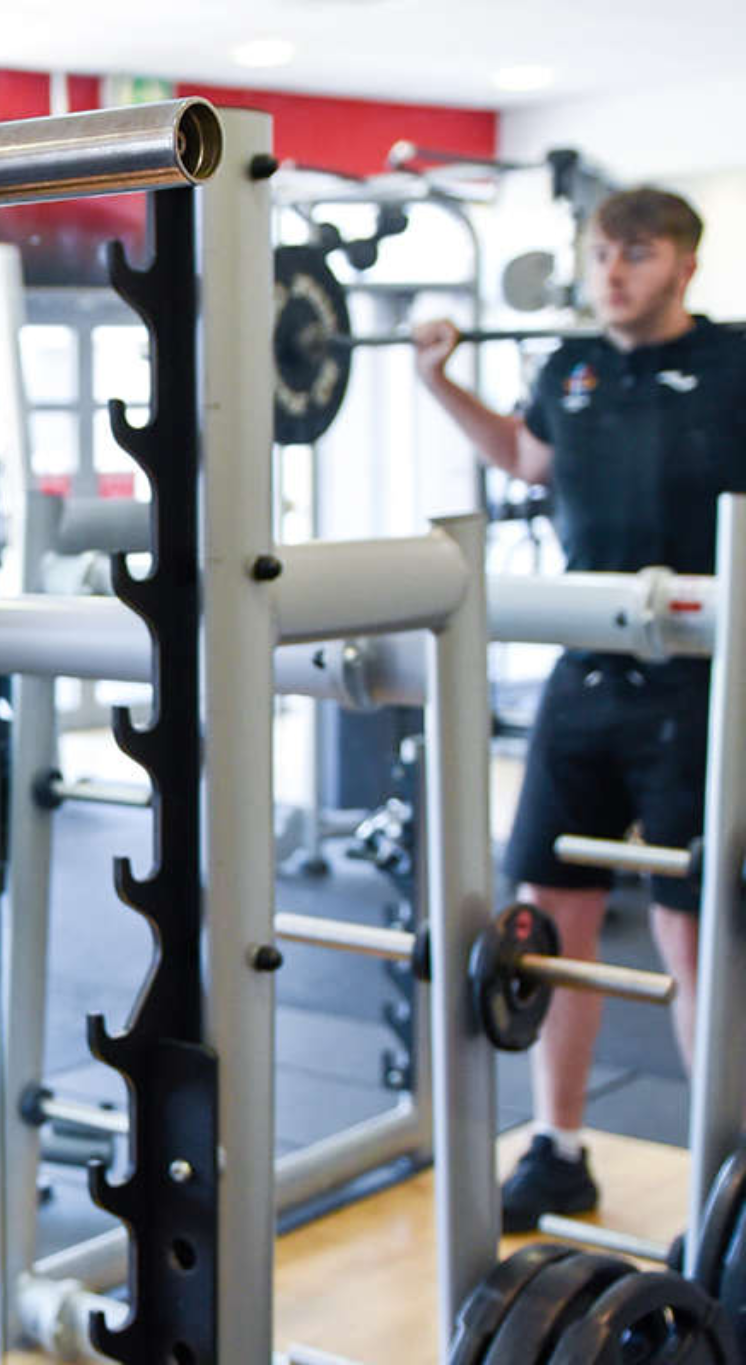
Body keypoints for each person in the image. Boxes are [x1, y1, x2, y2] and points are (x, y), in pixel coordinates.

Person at [412, 187, 746, 1231]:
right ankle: (555, 1148)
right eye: (599, 253)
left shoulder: (736, 362)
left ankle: (724, 1181)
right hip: (584, 671)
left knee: (699, 941)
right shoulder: (569, 368)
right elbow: (524, 460)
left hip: (704, 677)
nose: (610, 273)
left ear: (682, 265)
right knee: (548, 928)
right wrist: (435, 380)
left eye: (633, 255)